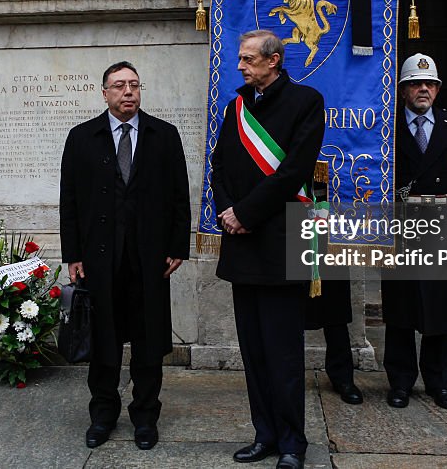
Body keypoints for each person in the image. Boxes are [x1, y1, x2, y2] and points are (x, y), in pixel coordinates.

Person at [60, 61, 190, 452]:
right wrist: (73, 254)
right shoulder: (82, 137)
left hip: (149, 261)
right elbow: (69, 202)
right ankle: (102, 414)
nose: (128, 92)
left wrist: (177, 247)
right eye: (119, 86)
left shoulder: (164, 136)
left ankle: (145, 417)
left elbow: (180, 197)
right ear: (105, 93)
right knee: (104, 343)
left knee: (149, 343)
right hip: (99, 262)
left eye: (134, 85)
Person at [212, 30, 325, 469]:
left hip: (281, 239)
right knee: (254, 351)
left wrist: (245, 213)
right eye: (240, 59)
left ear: (273, 60)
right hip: (241, 243)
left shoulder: (305, 102)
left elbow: (294, 171)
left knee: (283, 353)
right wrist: (226, 210)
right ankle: (265, 435)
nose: (240, 66)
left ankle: (293, 443)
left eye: (248, 59)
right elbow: (218, 163)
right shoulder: (237, 106)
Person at [382, 53, 447, 411]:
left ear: (438, 89)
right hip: (403, 224)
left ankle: (439, 382)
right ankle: (401, 381)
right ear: (403, 90)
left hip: (445, 224)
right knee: (401, 307)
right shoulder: (386, 126)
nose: (424, 89)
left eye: (430, 84)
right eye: (415, 84)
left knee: (442, 308)